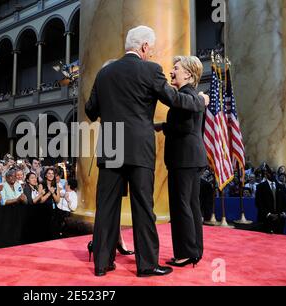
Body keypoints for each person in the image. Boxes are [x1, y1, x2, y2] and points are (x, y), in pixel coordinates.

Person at [85, 25, 209, 277]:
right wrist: (200, 101)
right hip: (139, 147)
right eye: (151, 49)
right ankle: (147, 264)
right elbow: (175, 100)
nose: (151, 54)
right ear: (143, 47)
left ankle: (102, 263)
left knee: (106, 206)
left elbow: (90, 110)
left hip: (111, 142)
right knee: (143, 206)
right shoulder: (151, 70)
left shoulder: (104, 73)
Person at [154, 55, 206, 268]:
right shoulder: (194, 95)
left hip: (183, 159)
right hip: (192, 158)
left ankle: (184, 253)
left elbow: (183, 128)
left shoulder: (185, 96)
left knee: (180, 205)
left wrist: (162, 126)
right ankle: (194, 251)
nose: (171, 71)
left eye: (176, 68)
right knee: (192, 205)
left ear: (188, 74)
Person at [255, 166, 286, 234]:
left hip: (279, 220)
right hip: (266, 220)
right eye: (270, 173)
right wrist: (269, 214)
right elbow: (258, 203)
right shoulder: (260, 187)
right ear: (266, 174)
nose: (272, 174)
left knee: (279, 242)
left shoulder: (281, 187)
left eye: (273, 173)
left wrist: (281, 214)